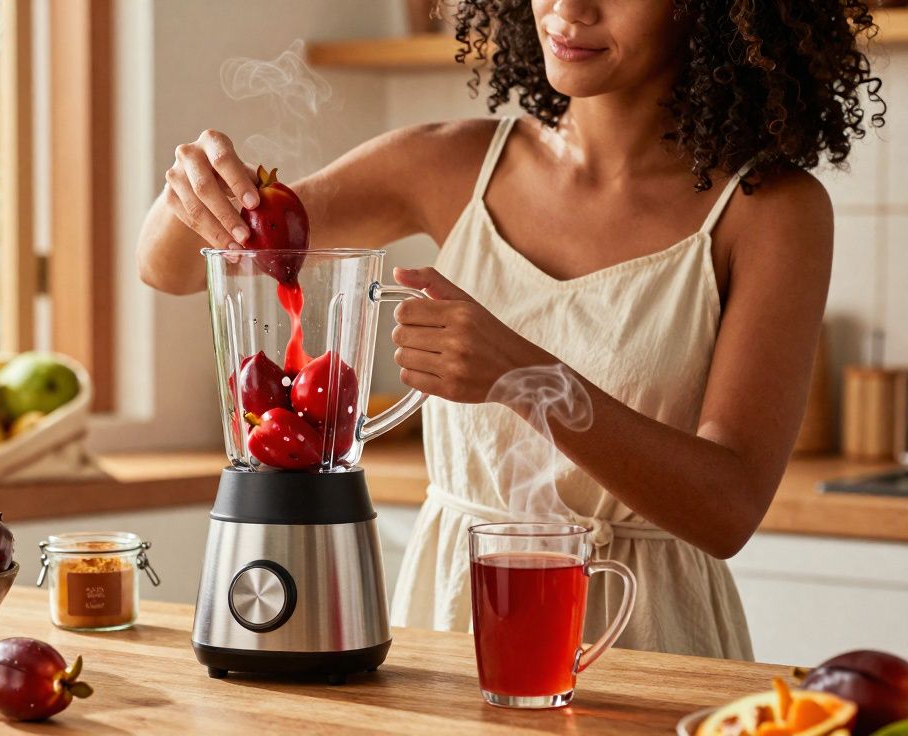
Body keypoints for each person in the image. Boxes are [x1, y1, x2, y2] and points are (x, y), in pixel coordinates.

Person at [135, 0, 883, 659]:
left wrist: (526, 378)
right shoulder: (446, 162)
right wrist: (191, 191)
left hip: (647, 637)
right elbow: (168, 266)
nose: (568, 8)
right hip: (452, 623)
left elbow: (728, 507)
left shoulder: (772, 210)